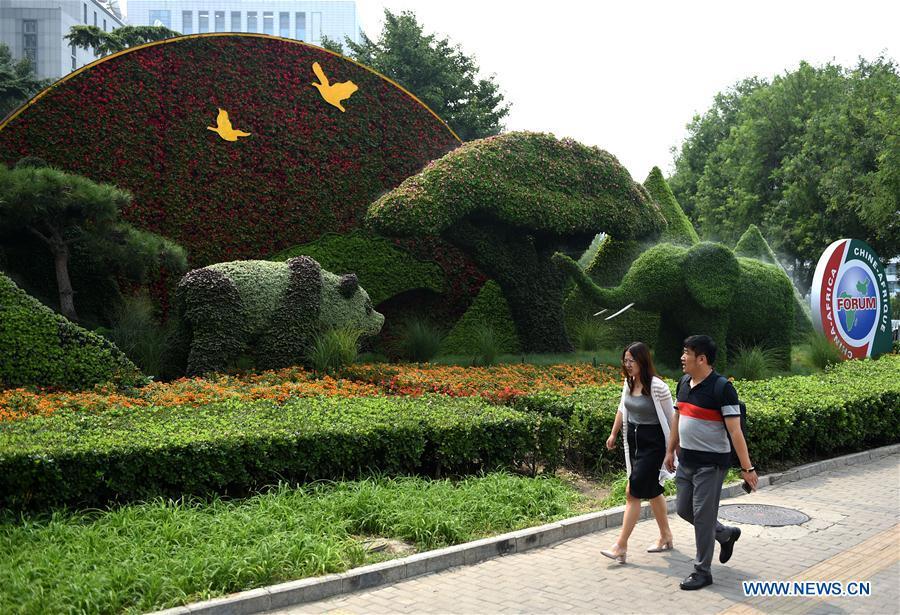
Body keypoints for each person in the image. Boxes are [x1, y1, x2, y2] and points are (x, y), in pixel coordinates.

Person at [664, 335, 758, 590]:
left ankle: (702, 571)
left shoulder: (722, 388)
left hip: (711, 465)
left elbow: (736, 432)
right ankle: (725, 535)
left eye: (687, 353)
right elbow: (677, 418)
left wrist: (747, 468)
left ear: (702, 359)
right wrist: (670, 450)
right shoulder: (684, 382)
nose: (682, 358)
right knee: (685, 510)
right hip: (686, 462)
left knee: (703, 518)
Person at [600, 342, 676, 565]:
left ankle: (620, 545)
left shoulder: (658, 387)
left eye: (631, 360)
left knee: (632, 492)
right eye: (625, 360)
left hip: (653, 445)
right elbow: (623, 408)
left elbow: (672, 420)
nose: (627, 364)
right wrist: (614, 434)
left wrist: (671, 451)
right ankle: (666, 535)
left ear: (643, 361)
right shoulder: (628, 382)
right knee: (652, 491)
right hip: (634, 443)